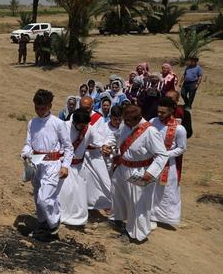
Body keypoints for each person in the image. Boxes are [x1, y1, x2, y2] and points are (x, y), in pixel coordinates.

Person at [101, 105, 168, 242]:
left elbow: (162, 155)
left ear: (137, 118)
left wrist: (150, 173)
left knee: (137, 202)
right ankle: (117, 219)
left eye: (128, 120)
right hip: (122, 167)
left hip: (140, 172)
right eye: (124, 120)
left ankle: (137, 234)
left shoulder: (150, 132)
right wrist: (107, 145)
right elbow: (116, 137)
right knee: (117, 194)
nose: (125, 123)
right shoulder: (125, 125)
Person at [21, 89, 73, 240]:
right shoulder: (32, 123)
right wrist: (25, 152)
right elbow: (28, 143)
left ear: (50, 106)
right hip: (36, 164)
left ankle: (54, 223)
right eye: (37, 108)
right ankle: (43, 224)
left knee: (45, 198)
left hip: (53, 165)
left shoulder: (58, 123)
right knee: (38, 197)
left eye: (42, 108)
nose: (39, 111)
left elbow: (68, 147)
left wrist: (65, 166)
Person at [150, 97, 187, 229]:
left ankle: (163, 216)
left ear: (171, 111)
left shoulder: (180, 129)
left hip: (167, 164)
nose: (159, 114)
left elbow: (182, 148)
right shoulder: (153, 122)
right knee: (150, 188)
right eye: (158, 111)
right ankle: (150, 215)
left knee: (165, 190)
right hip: (151, 161)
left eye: (163, 112)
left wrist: (165, 154)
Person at [59, 108, 91, 226]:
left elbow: (98, 140)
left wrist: (105, 146)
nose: (82, 129)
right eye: (79, 126)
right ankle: (61, 216)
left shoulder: (88, 129)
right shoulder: (63, 126)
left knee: (79, 193)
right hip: (64, 166)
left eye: (84, 126)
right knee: (65, 192)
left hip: (79, 167)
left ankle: (77, 219)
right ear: (74, 122)